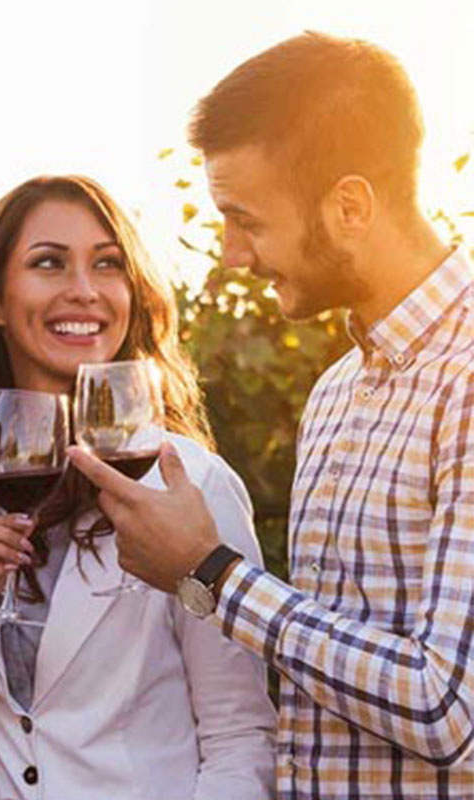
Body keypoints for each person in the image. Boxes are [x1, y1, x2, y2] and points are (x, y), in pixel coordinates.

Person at [66, 32, 474, 800]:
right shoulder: (338, 391)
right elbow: (316, 659)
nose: (231, 255)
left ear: (349, 204)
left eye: (246, 219)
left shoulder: (467, 382)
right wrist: (195, 583)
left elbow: (448, 708)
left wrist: (210, 573)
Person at [0, 174, 276, 799]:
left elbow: (239, 738)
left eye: (108, 265)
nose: (85, 291)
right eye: (49, 263)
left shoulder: (189, 483)